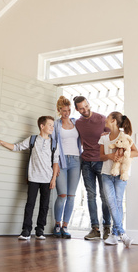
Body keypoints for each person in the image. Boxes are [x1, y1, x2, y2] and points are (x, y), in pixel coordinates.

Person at [0, 116, 60, 240]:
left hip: (47, 179)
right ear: (42, 126)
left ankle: (40, 230)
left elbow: (56, 162)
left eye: (52, 125)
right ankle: (26, 231)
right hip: (33, 177)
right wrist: (2, 142)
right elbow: (17, 147)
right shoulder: (33, 139)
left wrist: (53, 179)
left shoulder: (54, 143)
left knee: (44, 206)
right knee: (30, 204)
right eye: (50, 125)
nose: (52, 127)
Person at [74, 96, 111, 240]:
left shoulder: (102, 119)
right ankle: (95, 229)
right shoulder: (78, 123)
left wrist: (107, 135)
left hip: (101, 161)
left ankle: (107, 227)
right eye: (81, 108)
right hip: (86, 163)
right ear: (77, 109)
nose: (85, 110)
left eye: (86, 106)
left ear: (89, 104)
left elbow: (115, 135)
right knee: (91, 196)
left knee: (105, 196)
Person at [99, 111, 138, 247]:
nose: (105, 120)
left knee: (117, 202)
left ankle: (115, 234)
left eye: (108, 118)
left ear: (114, 121)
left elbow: (136, 152)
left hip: (121, 174)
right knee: (111, 202)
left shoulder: (124, 137)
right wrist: (110, 156)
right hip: (106, 174)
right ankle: (122, 234)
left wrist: (123, 155)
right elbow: (101, 156)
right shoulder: (104, 138)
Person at [52, 96, 82, 239]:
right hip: (61, 161)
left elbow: (87, 134)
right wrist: (54, 165)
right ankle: (57, 225)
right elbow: (53, 145)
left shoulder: (76, 123)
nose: (67, 113)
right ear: (59, 110)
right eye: (64, 111)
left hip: (76, 161)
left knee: (71, 196)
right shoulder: (56, 125)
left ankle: (65, 226)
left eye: (69, 110)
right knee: (62, 195)